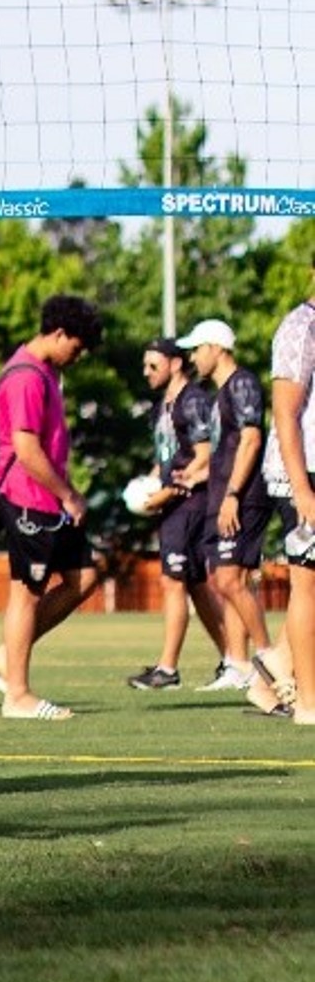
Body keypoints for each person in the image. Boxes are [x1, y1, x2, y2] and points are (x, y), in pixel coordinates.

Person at [0, 295, 104, 719]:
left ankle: (6, 654)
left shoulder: (45, 372)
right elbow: (26, 449)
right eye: (77, 348)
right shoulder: (26, 376)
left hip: (49, 500)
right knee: (26, 593)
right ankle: (18, 694)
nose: (78, 358)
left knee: (84, 578)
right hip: (28, 499)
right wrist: (67, 493)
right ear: (58, 334)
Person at [125, 338, 225, 690]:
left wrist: (164, 494)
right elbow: (165, 457)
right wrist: (148, 486)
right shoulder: (161, 407)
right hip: (172, 503)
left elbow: (203, 456)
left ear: (175, 364)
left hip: (189, 503)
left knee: (173, 581)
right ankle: (234, 660)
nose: (146, 372)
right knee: (197, 585)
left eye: (153, 365)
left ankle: (168, 670)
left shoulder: (193, 401)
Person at [192, 318, 272, 689]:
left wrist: (233, 495)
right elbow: (223, 448)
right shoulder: (218, 394)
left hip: (244, 496)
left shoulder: (241, 383)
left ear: (215, 348)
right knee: (228, 580)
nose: (193, 357)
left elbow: (252, 439)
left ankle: (270, 659)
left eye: (197, 349)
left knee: (229, 579)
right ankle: (238, 663)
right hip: (223, 494)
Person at [263, 255, 315, 724]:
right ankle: (309, 704)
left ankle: (277, 669)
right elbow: (286, 413)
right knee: (308, 585)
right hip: (302, 473)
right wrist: (302, 489)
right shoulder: (301, 327)